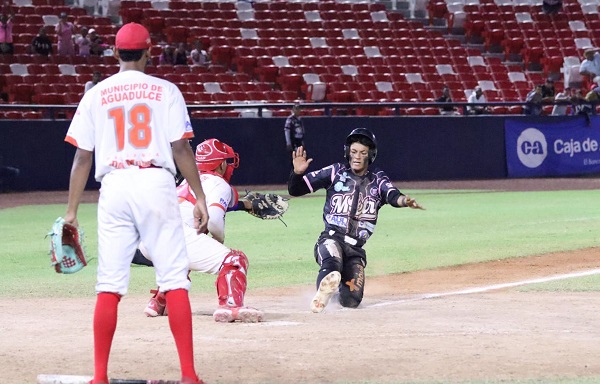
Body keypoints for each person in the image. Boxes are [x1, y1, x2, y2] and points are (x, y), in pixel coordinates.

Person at [63, 22, 208, 384]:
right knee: (174, 279)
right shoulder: (166, 90)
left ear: (115, 53)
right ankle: (189, 375)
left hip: (113, 186)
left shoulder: (97, 93)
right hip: (156, 181)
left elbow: (83, 157)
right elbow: (180, 148)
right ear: (149, 51)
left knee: (109, 285)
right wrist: (200, 195)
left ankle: (99, 377)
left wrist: (71, 211)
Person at [287, 128, 424, 313]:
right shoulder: (335, 172)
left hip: (355, 250)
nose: (357, 156)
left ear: (370, 155)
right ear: (347, 152)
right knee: (332, 265)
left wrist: (405, 201)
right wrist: (297, 173)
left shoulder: (378, 179)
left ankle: (334, 294)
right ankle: (322, 294)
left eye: (362, 153)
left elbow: (393, 195)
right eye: (353, 152)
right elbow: (295, 190)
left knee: (352, 300)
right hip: (331, 239)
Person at [132, 138, 264, 323]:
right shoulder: (219, 184)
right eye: (226, 161)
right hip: (174, 234)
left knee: (182, 259)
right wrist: (218, 240)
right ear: (220, 165)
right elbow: (215, 219)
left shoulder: (188, 181)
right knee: (235, 260)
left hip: (148, 239)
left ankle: (160, 302)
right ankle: (231, 305)